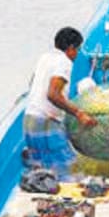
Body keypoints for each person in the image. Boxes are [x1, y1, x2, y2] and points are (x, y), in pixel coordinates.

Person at [23, 26, 98, 179]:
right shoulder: (64, 62)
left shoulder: (45, 57)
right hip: (45, 124)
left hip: (29, 121)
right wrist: (79, 113)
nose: (77, 54)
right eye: (77, 49)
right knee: (72, 175)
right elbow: (52, 94)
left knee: (44, 173)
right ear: (70, 48)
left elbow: (33, 85)